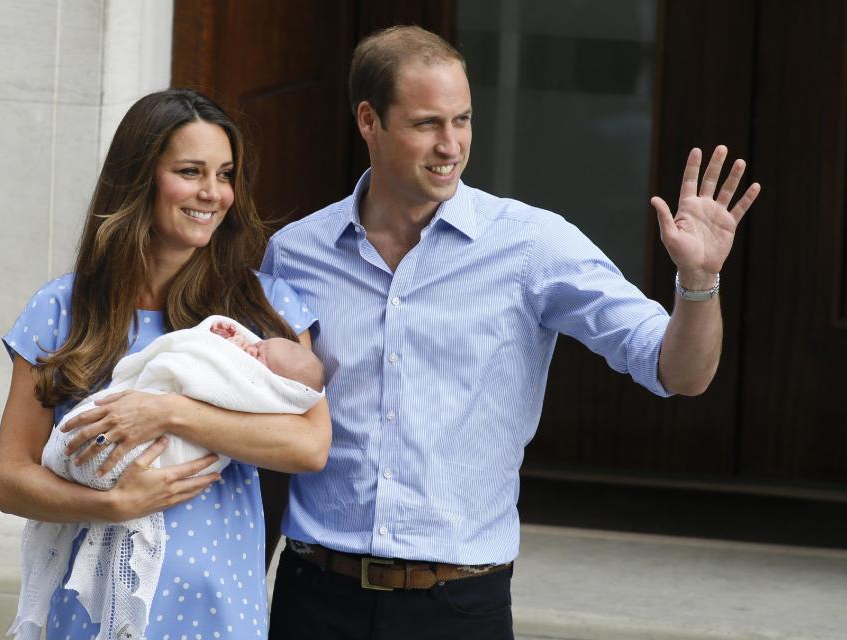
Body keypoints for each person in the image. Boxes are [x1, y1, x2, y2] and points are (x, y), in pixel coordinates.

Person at [261, 25, 760, 640]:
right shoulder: (295, 253)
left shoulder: (531, 245)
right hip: (314, 596)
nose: (452, 144)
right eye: (427, 124)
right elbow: (261, 427)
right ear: (369, 120)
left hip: (460, 606)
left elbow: (678, 372)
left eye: (463, 120)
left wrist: (699, 281)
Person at [0, 89, 330, 640]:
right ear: (139, 176)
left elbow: (310, 445)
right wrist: (114, 503)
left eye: (225, 175)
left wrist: (170, 414)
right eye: (191, 171)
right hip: (90, 615)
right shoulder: (61, 309)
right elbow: (11, 480)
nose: (212, 193)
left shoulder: (262, 308)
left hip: (220, 611)